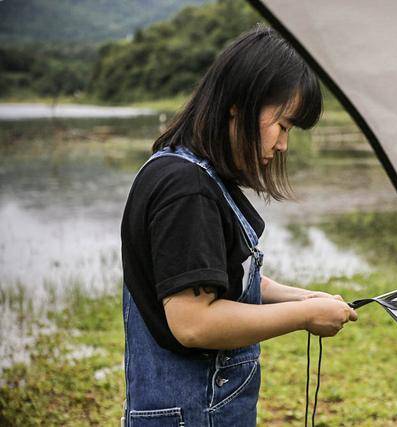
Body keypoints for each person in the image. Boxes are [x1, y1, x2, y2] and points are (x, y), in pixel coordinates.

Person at [120, 23, 358, 427]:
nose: (283, 144)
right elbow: (194, 322)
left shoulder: (197, 175)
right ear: (238, 104)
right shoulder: (186, 189)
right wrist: (304, 318)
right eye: (282, 125)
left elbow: (227, 279)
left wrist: (304, 298)